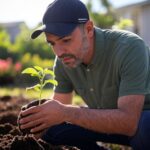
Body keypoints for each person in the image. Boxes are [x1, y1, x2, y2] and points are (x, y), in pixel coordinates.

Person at [19, 0, 150, 149]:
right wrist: (40, 121)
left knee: (146, 127)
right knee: (53, 131)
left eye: (66, 40)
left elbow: (129, 123)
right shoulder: (64, 60)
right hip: (106, 124)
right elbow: (60, 108)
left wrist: (66, 112)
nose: (59, 52)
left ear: (88, 29)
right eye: (52, 43)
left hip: (138, 122)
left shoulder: (130, 48)